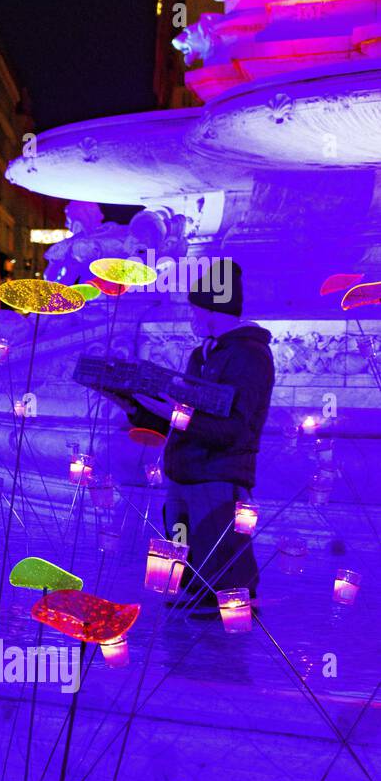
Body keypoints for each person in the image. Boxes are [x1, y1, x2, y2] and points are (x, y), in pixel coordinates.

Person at [113, 261, 273, 615]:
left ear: (216, 309)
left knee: (219, 542)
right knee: (181, 537)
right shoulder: (200, 354)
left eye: (195, 308)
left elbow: (232, 428)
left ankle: (230, 604)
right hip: (185, 468)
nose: (191, 316)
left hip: (218, 472)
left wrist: (172, 412)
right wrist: (132, 403)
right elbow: (177, 417)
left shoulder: (250, 355)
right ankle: (192, 592)